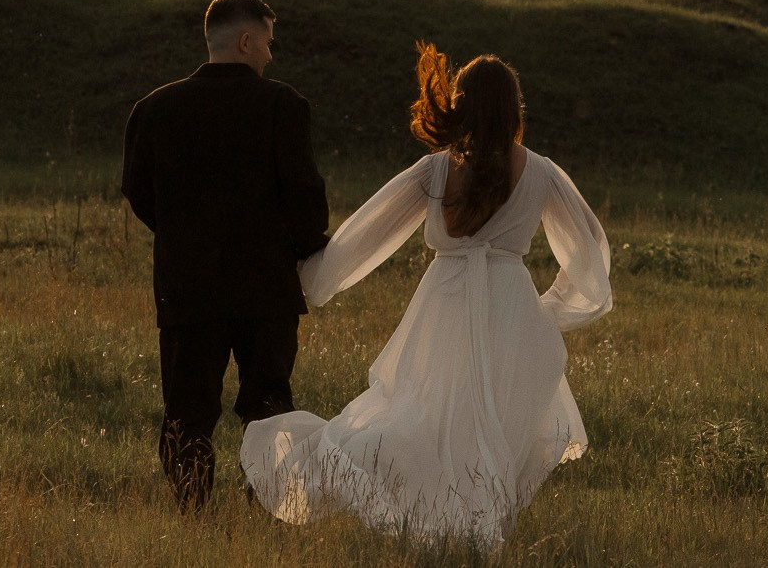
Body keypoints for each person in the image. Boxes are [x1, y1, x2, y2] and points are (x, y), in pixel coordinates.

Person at [241, 42, 612, 550]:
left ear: (461, 104)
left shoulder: (436, 170)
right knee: (488, 419)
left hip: (445, 302)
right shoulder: (542, 173)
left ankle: (441, 520)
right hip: (510, 307)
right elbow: (591, 251)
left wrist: (310, 276)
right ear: (513, 108)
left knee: (426, 410)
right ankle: (473, 522)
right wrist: (551, 308)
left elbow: (364, 235)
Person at [120, 0, 331, 511]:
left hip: (186, 289)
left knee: (187, 413)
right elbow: (306, 199)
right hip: (266, 290)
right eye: (266, 42)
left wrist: (181, 238)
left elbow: (139, 193)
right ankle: (267, 504)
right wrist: (302, 249)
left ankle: (193, 512)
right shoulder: (284, 107)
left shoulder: (153, 110)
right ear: (245, 40)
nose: (270, 55)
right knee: (269, 408)